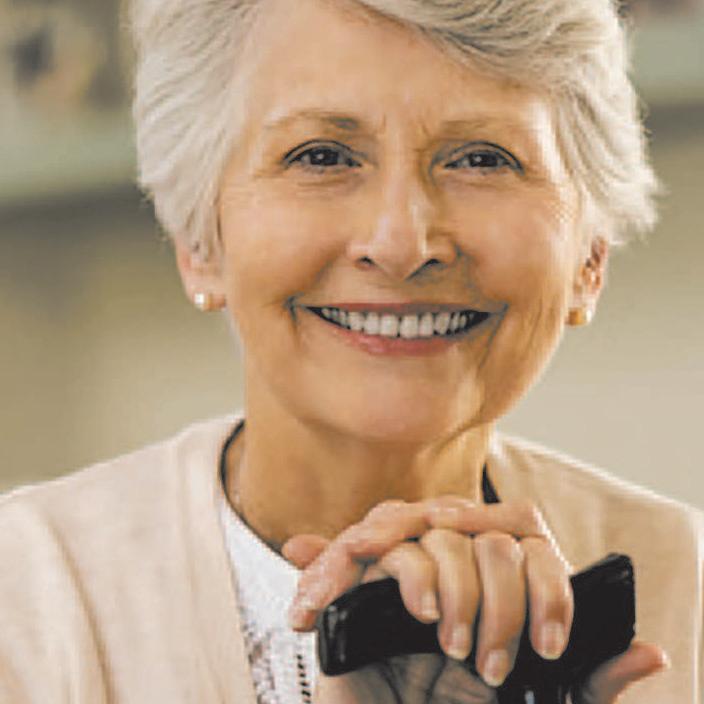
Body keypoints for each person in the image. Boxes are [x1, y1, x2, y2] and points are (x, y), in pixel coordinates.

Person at [1, 0, 701, 701]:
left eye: (483, 159)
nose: (401, 243)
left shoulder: (687, 591)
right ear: (199, 241)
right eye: (321, 157)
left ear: (590, 257)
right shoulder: (23, 599)